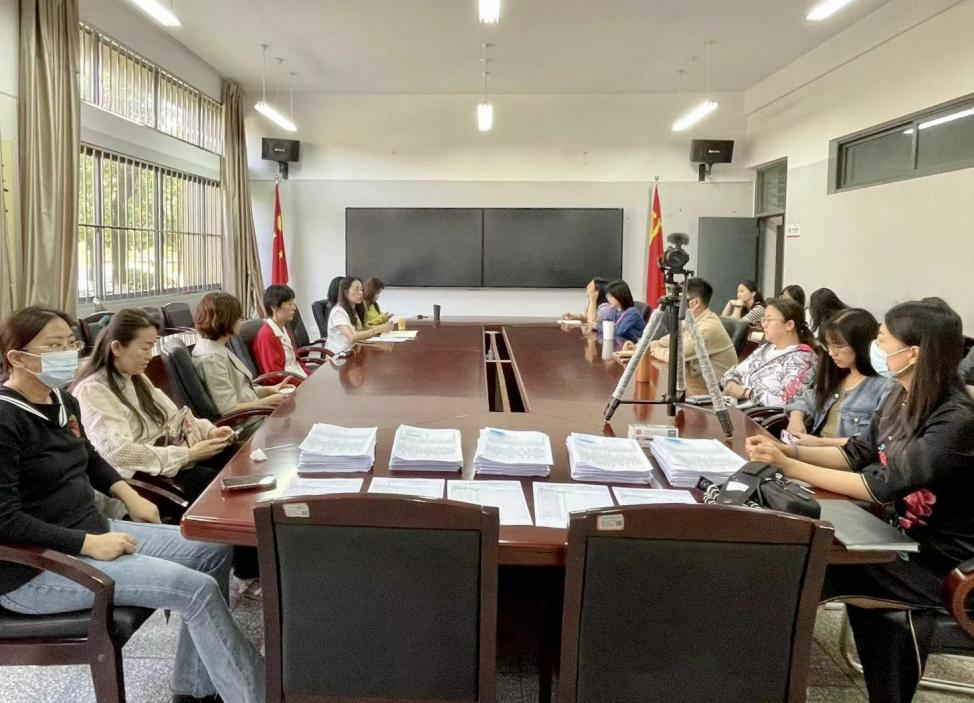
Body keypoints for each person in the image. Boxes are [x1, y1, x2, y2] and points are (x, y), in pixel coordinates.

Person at [0, 307, 263, 703]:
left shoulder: (61, 400)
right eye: (54, 346)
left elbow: (90, 458)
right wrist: (88, 544)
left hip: (87, 531)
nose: (66, 353)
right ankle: (254, 693)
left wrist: (130, 495)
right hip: (33, 568)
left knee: (211, 549)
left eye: (70, 343)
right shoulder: (5, 418)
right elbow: (4, 520)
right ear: (17, 358)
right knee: (196, 589)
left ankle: (193, 689)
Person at [746, 300, 974, 703]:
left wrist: (791, 467)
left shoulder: (956, 420)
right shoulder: (899, 396)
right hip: (895, 539)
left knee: (804, 569)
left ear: (913, 353)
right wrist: (786, 452)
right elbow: (856, 454)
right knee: (790, 564)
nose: (876, 348)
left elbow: (879, 486)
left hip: (940, 563)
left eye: (882, 339)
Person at [72, 309, 235, 502]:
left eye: (152, 347)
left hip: (170, 456)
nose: (150, 356)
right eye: (145, 348)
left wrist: (210, 431)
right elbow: (118, 452)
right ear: (116, 348)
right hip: (145, 478)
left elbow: (173, 416)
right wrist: (187, 455)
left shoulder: (135, 377)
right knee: (221, 485)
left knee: (235, 456)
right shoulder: (92, 390)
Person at [785, 308, 890, 447]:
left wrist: (819, 443)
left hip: (840, 456)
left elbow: (872, 442)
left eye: (838, 346)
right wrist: (796, 418)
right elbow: (808, 398)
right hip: (811, 448)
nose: (831, 353)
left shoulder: (884, 387)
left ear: (861, 344)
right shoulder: (838, 376)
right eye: (828, 345)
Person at [192, 292, 289, 417]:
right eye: (238, 317)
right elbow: (229, 409)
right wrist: (270, 401)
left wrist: (270, 390)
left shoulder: (217, 347)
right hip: (249, 422)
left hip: (256, 414)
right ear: (226, 320)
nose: (241, 320)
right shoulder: (211, 359)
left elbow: (241, 390)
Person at [721, 298, 816, 407]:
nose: (764, 325)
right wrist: (731, 384)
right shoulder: (765, 349)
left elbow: (788, 401)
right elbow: (731, 373)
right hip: (734, 406)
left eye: (769, 320)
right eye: (763, 320)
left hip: (758, 415)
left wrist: (747, 393)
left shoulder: (803, 359)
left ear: (789, 325)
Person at [645, 278, 738, 389]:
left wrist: (652, 350)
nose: (675, 304)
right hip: (694, 381)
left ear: (695, 303)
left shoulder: (708, 328)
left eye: (679, 299)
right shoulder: (690, 320)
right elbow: (664, 342)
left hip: (714, 390)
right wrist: (644, 347)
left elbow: (675, 357)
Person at [252, 284, 311, 380]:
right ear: (274, 307)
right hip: (287, 384)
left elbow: (295, 362)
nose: (294, 308)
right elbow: (275, 376)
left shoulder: (283, 328)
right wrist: (304, 382)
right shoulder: (266, 336)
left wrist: (310, 376)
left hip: (298, 377)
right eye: (289, 304)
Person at [325, 277, 393, 355]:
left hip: (353, 351)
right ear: (345, 292)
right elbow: (352, 337)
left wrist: (382, 328)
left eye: (361, 290)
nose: (360, 293)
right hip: (338, 356)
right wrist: (376, 330)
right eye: (356, 289)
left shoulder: (354, 310)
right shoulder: (338, 312)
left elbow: (362, 329)